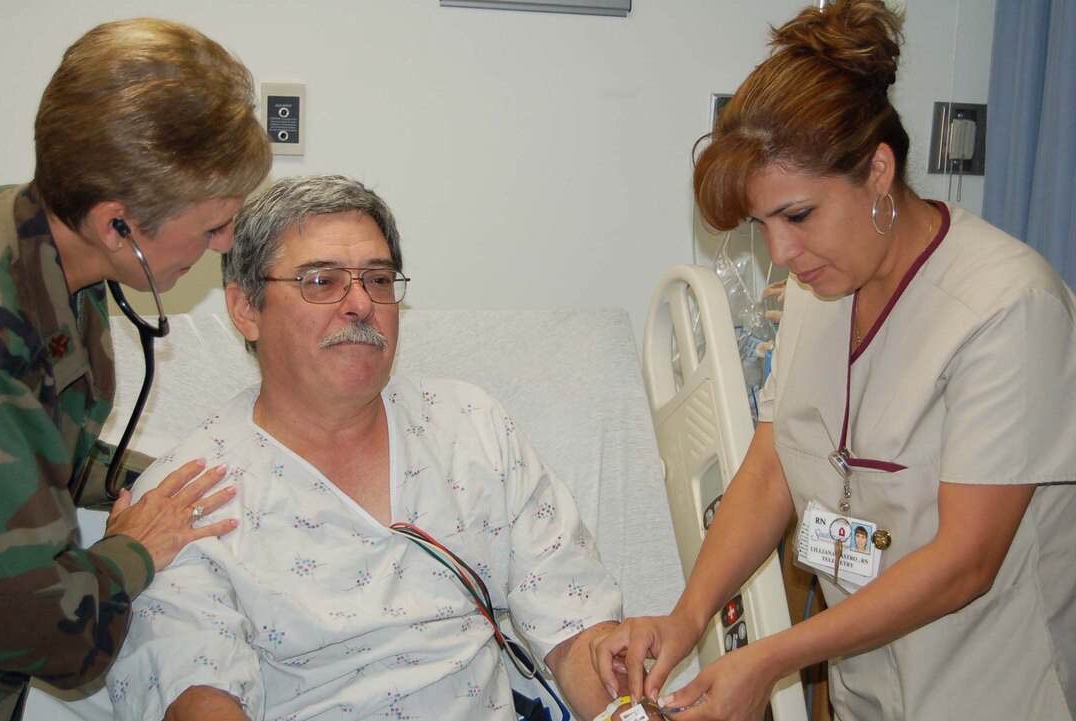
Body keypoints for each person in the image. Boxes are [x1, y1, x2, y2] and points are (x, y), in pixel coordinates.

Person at [592, 1, 1076, 719]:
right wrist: (688, 615)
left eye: (797, 216)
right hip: (866, 690)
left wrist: (775, 656)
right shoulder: (818, 294)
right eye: (763, 226)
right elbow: (771, 466)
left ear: (878, 172)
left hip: (990, 687)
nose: (779, 255)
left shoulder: (1008, 307)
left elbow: (968, 560)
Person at [106, 174, 631, 721]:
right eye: (321, 281)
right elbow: (197, 692)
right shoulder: (187, 497)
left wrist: (623, 710)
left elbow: (575, 627)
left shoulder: (470, 429)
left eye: (378, 280)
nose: (361, 303)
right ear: (246, 309)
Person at [0, 18, 271, 720]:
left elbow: (41, 454)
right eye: (211, 226)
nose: (226, 243)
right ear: (119, 224)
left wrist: (157, 475)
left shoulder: (44, 252)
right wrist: (135, 548)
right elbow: (52, 635)